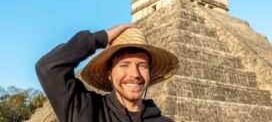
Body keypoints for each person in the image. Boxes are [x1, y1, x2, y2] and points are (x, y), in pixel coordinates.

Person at [36, 24, 179, 122]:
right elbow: (48, 67)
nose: (134, 74)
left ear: (150, 72)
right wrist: (101, 38)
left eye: (142, 66)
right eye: (124, 65)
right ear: (109, 72)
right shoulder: (87, 111)